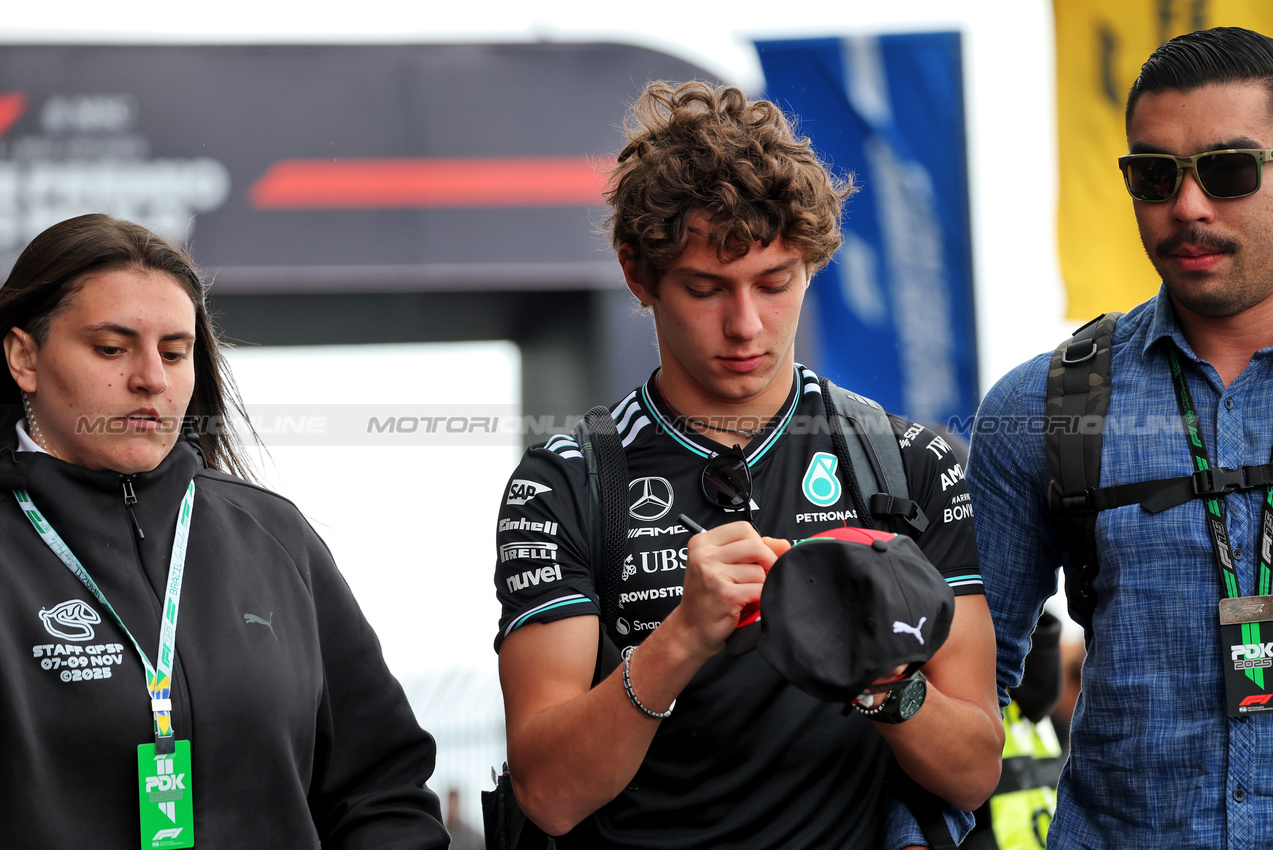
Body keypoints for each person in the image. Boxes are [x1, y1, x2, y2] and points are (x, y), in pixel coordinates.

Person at [493, 81, 1002, 849]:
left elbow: (972, 772)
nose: (745, 324)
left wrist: (878, 681)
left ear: (810, 267)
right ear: (639, 275)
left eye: (774, 283)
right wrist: (680, 638)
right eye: (705, 289)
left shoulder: (907, 464)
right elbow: (550, 795)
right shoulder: (564, 484)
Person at [0, 214, 450, 849]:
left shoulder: (273, 534)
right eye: (111, 347)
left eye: (175, 352)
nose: (151, 378)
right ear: (25, 357)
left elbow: (382, 788)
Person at [967, 26, 1273, 846]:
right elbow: (967, 695)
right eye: (1152, 175)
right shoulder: (1040, 406)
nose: (1188, 206)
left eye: (1228, 170)